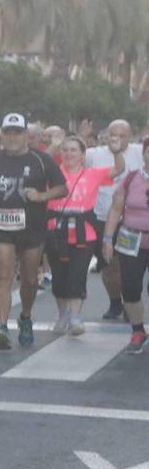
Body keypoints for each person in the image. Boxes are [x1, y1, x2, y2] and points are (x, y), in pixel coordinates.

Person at [0, 113, 67, 349]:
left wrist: (41, 196)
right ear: (2, 134)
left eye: (17, 132)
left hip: (32, 228)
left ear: (26, 135)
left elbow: (62, 188)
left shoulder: (41, 159)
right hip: (1, 226)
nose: (13, 137)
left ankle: (25, 317)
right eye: (8, 132)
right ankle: (2, 326)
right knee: (3, 276)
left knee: (28, 279)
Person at [46, 135, 108, 335]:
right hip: (56, 231)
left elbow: (119, 169)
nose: (69, 154)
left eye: (73, 150)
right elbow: (40, 163)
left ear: (82, 154)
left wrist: (116, 150)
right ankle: (63, 313)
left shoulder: (93, 174)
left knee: (77, 275)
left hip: (84, 234)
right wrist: (52, 147)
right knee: (59, 277)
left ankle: (75, 318)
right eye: (65, 150)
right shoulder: (52, 174)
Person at [86, 119, 142, 320]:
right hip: (102, 217)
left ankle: (130, 305)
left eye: (122, 135)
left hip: (132, 220)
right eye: (113, 135)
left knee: (129, 266)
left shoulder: (139, 151)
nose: (116, 139)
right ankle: (115, 303)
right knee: (109, 266)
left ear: (130, 136)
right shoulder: (94, 155)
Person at [102, 157, 149, 354]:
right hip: (131, 240)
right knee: (130, 286)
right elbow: (115, 209)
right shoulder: (131, 178)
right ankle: (138, 331)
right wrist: (107, 239)